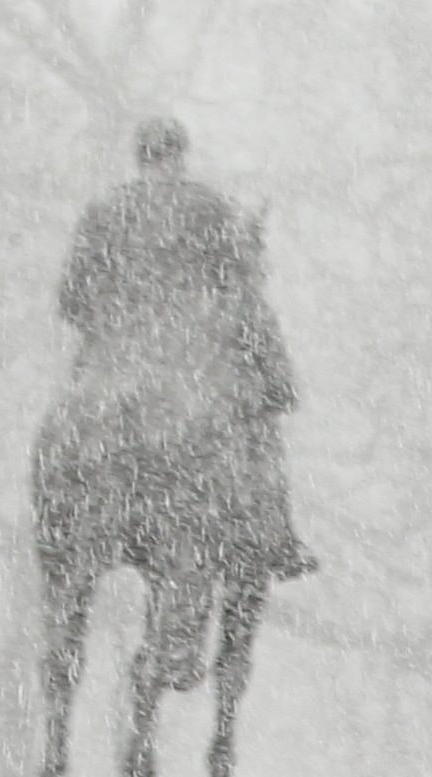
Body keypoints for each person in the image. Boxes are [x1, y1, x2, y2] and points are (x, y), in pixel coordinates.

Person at [54, 117, 314, 583]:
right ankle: (276, 534)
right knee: (259, 433)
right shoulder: (211, 209)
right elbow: (243, 298)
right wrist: (275, 377)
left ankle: (60, 524)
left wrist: (113, 326)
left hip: (110, 368)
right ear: (180, 154)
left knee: (68, 427)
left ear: (140, 156)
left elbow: (71, 300)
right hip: (187, 366)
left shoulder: (103, 211)